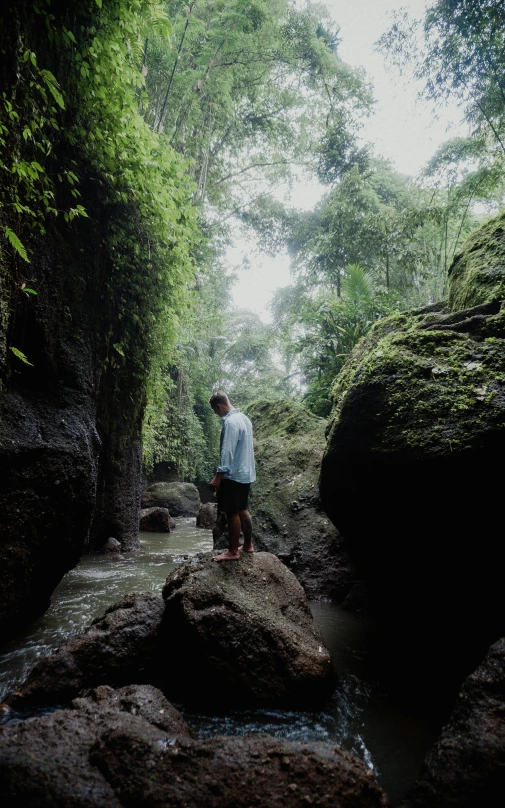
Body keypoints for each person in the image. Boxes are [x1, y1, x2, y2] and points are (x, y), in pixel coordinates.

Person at [209, 390, 256, 561]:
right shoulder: (245, 419)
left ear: (219, 406)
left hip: (233, 474)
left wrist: (218, 477)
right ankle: (248, 545)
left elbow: (227, 451)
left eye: (216, 411)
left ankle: (233, 551)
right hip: (246, 473)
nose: (217, 415)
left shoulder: (230, 422)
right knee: (243, 508)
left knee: (232, 512)